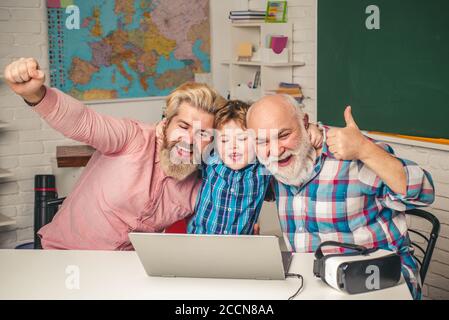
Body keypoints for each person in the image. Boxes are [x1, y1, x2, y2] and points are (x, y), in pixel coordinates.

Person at [3, 57, 226, 250]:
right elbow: (83, 121)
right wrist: (37, 94)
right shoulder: (132, 137)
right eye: (183, 127)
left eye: (202, 133)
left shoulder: (201, 181)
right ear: (166, 123)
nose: (188, 141)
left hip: (125, 270)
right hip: (64, 255)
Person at [246, 94, 435, 299]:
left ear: (304, 122)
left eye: (284, 135)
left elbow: (423, 192)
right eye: (262, 141)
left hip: (377, 280)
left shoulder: (350, 153)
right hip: (313, 283)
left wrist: (365, 150)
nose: (275, 150)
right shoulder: (271, 165)